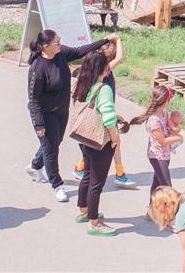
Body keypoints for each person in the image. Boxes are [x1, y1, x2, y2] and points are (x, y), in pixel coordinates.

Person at [26, 30, 110, 203]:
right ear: (45, 47)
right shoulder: (38, 68)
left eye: (60, 41)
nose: (60, 44)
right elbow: (33, 99)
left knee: (54, 142)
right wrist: (38, 124)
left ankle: (34, 166)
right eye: (57, 42)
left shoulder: (61, 53)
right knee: (51, 150)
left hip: (61, 111)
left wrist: (104, 41)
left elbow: (80, 50)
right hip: (45, 114)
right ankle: (57, 185)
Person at [73, 37, 135, 189]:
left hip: (99, 112)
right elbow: (121, 56)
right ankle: (120, 174)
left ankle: (81, 167)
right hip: (103, 114)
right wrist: (118, 39)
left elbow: (120, 55)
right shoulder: (105, 71)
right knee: (114, 142)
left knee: (92, 144)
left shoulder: (92, 70)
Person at [71, 51, 120, 236]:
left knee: (87, 175)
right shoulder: (103, 88)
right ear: (101, 68)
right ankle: (94, 222)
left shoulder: (81, 83)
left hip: (83, 136)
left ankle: (83, 210)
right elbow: (108, 118)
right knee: (96, 182)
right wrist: (115, 139)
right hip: (99, 140)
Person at [131, 85, 183, 199]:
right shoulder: (153, 120)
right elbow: (163, 141)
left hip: (165, 154)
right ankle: (172, 215)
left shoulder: (164, 113)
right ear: (165, 101)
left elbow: (170, 129)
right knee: (167, 187)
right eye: (169, 99)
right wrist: (179, 138)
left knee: (157, 184)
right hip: (157, 156)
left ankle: (151, 212)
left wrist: (176, 128)